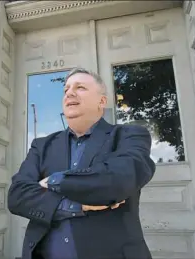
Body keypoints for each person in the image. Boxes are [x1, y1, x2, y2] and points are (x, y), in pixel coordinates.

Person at [8, 67, 156, 259]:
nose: (70, 92)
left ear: (101, 101)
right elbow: (17, 196)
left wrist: (54, 181)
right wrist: (74, 206)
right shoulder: (42, 146)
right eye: (66, 89)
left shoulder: (129, 136)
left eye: (80, 88)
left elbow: (118, 180)